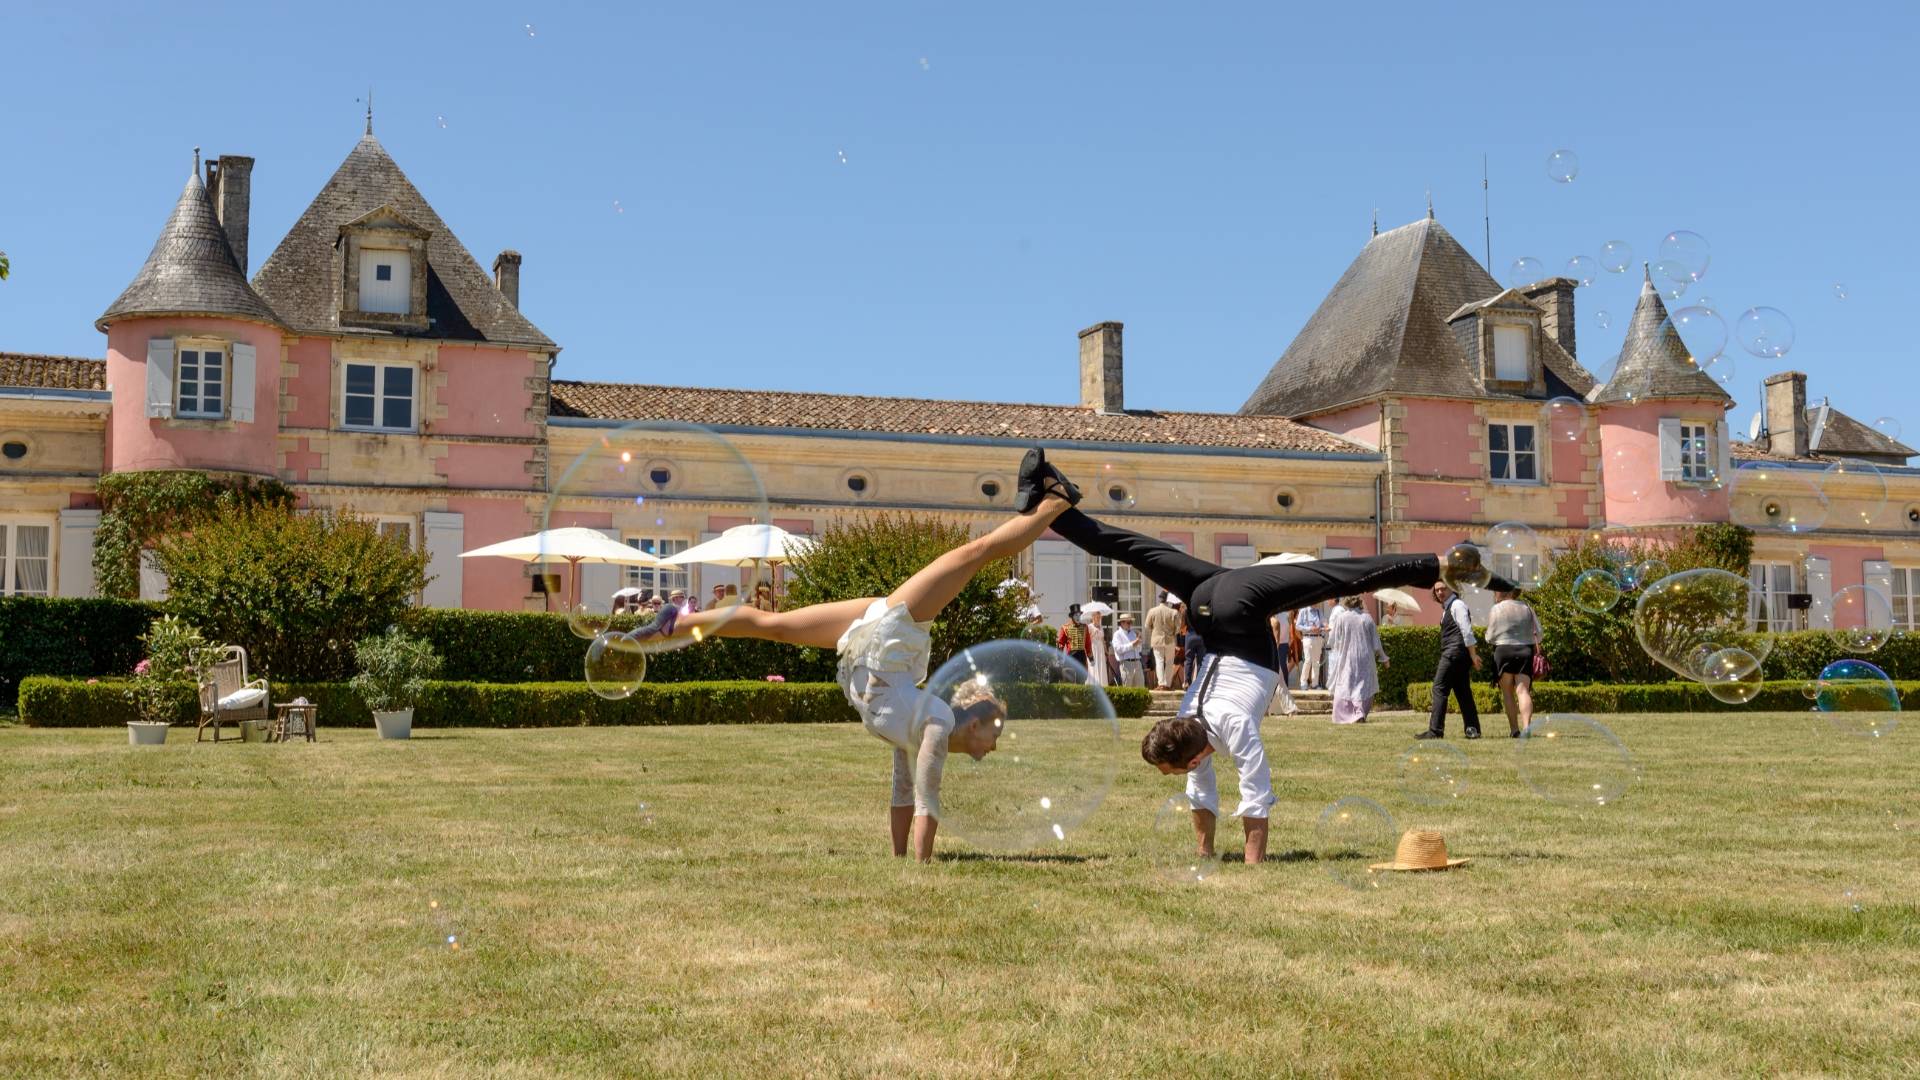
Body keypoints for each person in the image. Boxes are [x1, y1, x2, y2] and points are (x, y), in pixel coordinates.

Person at [630, 452, 1079, 861]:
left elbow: (906, 790)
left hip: (873, 637)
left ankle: (673, 625)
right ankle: (1056, 498)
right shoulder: (936, 722)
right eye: (994, 737)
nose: (991, 749)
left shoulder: (921, 725)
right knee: (975, 553)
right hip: (893, 629)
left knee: (777, 626)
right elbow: (927, 797)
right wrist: (919, 868)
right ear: (974, 722)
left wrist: (904, 864)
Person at [1038, 456, 1444, 864]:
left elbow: (1255, 793)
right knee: (1133, 549)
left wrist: (1251, 865)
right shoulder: (1185, 724)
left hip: (1236, 612)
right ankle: (1053, 503)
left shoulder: (1227, 729)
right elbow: (1221, 789)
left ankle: (1436, 566)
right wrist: (1204, 855)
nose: (1175, 777)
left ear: (1193, 759)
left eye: (1174, 771)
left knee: (1333, 575)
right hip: (1209, 597)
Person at [1418, 581, 1484, 739]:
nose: (1440, 592)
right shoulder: (1449, 607)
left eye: (1443, 589)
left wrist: (1473, 655)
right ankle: (1473, 730)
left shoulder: (1457, 605)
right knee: (1463, 692)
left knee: (1439, 688)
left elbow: (1466, 631)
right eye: (1437, 590)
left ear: (1452, 588)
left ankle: (1435, 731)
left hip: (1453, 653)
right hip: (1459, 654)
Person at [1487, 584, 1541, 737]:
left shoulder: (1496, 609)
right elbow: (1539, 632)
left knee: (1508, 693)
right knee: (1523, 691)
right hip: (1524, 651)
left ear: (1504, 591)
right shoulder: (1527, 608)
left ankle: (1514, 730)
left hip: (1503, 651)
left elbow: (1490, 636)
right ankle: (1527, 728)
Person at [1325, 596, 1387, 724]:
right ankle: (1360, 712)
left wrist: (1330, 646)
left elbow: (1334, 638)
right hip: (1365, 656)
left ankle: (1348, 715)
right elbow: (1376, 643)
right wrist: (1384, 658)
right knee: (1363, 684)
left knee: (1347, 682)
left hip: (1348, 656)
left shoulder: (1342, 617)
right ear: (1360, 603)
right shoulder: (1367, 618)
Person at [1145, 592, 1180, 690]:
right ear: (1167, 600)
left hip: (1157, 639)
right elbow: (1178, 629)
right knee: (1169, 663)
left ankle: (1161, 684)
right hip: (1170, 640)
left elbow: (1147, 626)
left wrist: (1155, 627)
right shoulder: (1174, 612)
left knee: (1159, 661)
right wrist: (1172, 633)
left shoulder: (1152, 611)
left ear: (1159, 599)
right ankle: (1167, 684)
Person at [1267, 611, 1299, 715]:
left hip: (1271, 656)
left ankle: (1290, 708)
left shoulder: (1275, 622)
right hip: (1269, 656)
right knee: (1277, 684)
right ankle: (1273, 709)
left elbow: (1276, 642)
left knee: (1280, 683)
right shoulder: (1270, 621)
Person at [1295, 602, 1327, 689]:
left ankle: (1315, 684)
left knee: (1316, 662)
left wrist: (1324, 628)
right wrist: (1310, 629)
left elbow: (1324, 623)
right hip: (1308, 638)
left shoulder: (1319, 611)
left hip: (1318, 638)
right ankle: (1303, 682)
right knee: (1308, 660)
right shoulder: (1303, 610)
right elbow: (1297, 626)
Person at [1112, 613, 1146, 688]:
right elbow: (1118, 649)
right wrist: (1132, 644)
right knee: (1128, 689)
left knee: (1140, 688)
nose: (1130, 624)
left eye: (1131, 622)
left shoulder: (1133, 633)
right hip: (1126, 663)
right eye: (1128, 622)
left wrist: (1139, 642)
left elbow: (1138, 650)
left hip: (1137, 662)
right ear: (1122, 623)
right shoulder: (1117, 634)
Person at [1056, 604, 1089, 670]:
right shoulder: (1065, 627)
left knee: (1082, 677)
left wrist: (1091, 658)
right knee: (1071, 675)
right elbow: (1060, 643)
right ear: (1072, 616)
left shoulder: (1085, 627)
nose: (1078, 617)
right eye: (1076, 615)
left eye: (1079, 615)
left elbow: (1088, 643)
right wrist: (1059, 658)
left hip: (1082, 655)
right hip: (1071, 655)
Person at [1086, 608, 1110, 687]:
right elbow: (1087, 640)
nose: (1099, 619)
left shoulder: (1101, 627)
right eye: (1097, 617)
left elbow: (1103, 640)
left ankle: (1102, 685)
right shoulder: (1089, 626)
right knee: (1094, 667)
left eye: (1100, 617)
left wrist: (1106, 651)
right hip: (1093, 648)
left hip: (1100, 649)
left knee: (1101, 666)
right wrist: (1093, 634)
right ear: (1093, 617)